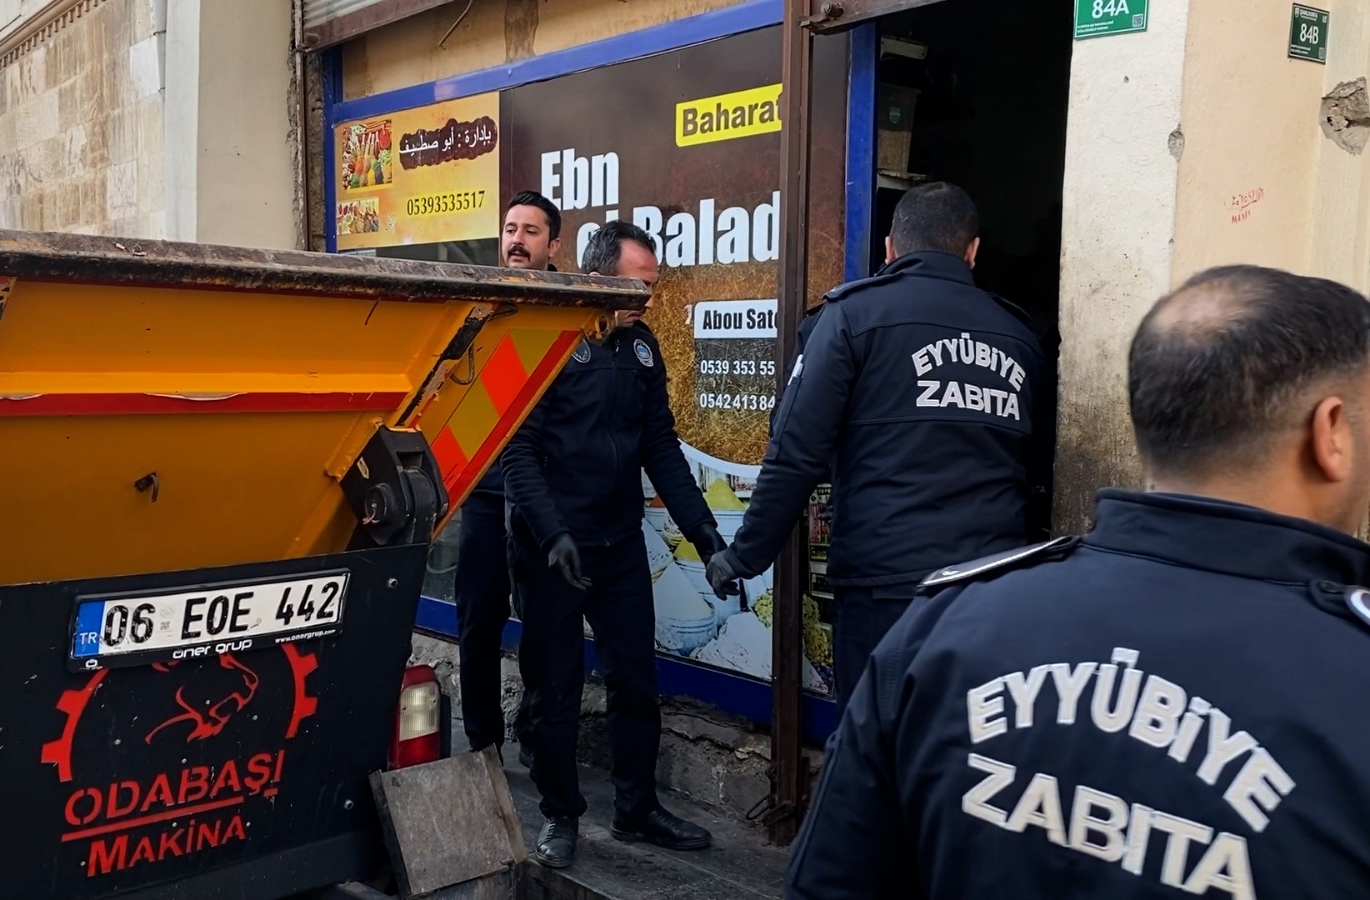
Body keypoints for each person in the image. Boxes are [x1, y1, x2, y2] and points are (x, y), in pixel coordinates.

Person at [785, 265, 1370, 899]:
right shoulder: (1348, 683)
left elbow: (831, 883)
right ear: (1331, 432)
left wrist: (745, 555)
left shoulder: (945, 629)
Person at [705, 182, 1045, 704]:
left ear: (889, 247)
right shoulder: (1019, 336)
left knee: (874, 740)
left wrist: (743, 556)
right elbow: (1034, 468)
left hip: (886, 591)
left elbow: (795, 452)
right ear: (973, 251)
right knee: (963, 738)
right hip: (989, 589)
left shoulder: (851, 316)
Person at [502, 221, 725, 868]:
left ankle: (637, 809)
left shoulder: (642, 348)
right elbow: (517, 452)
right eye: (636, 286)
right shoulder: (546, 338)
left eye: (652, 287)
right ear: (597, 279)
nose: (647, 300)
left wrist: (705, 534)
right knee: (556, 690)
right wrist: (552, 534)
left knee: (636, 681)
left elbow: (660, 447)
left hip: (618, 543)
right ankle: (559, 814)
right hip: (552, 550)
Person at [454, 191, 563, 761]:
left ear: (553, 245)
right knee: (479, 622)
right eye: (510, 229)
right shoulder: (480, 307)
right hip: (485, 490)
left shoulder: (569, 312)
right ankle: (483, 746)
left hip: (543, 498)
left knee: (544, 630)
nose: (517, 240)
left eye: (530, 231)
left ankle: (537, 736)